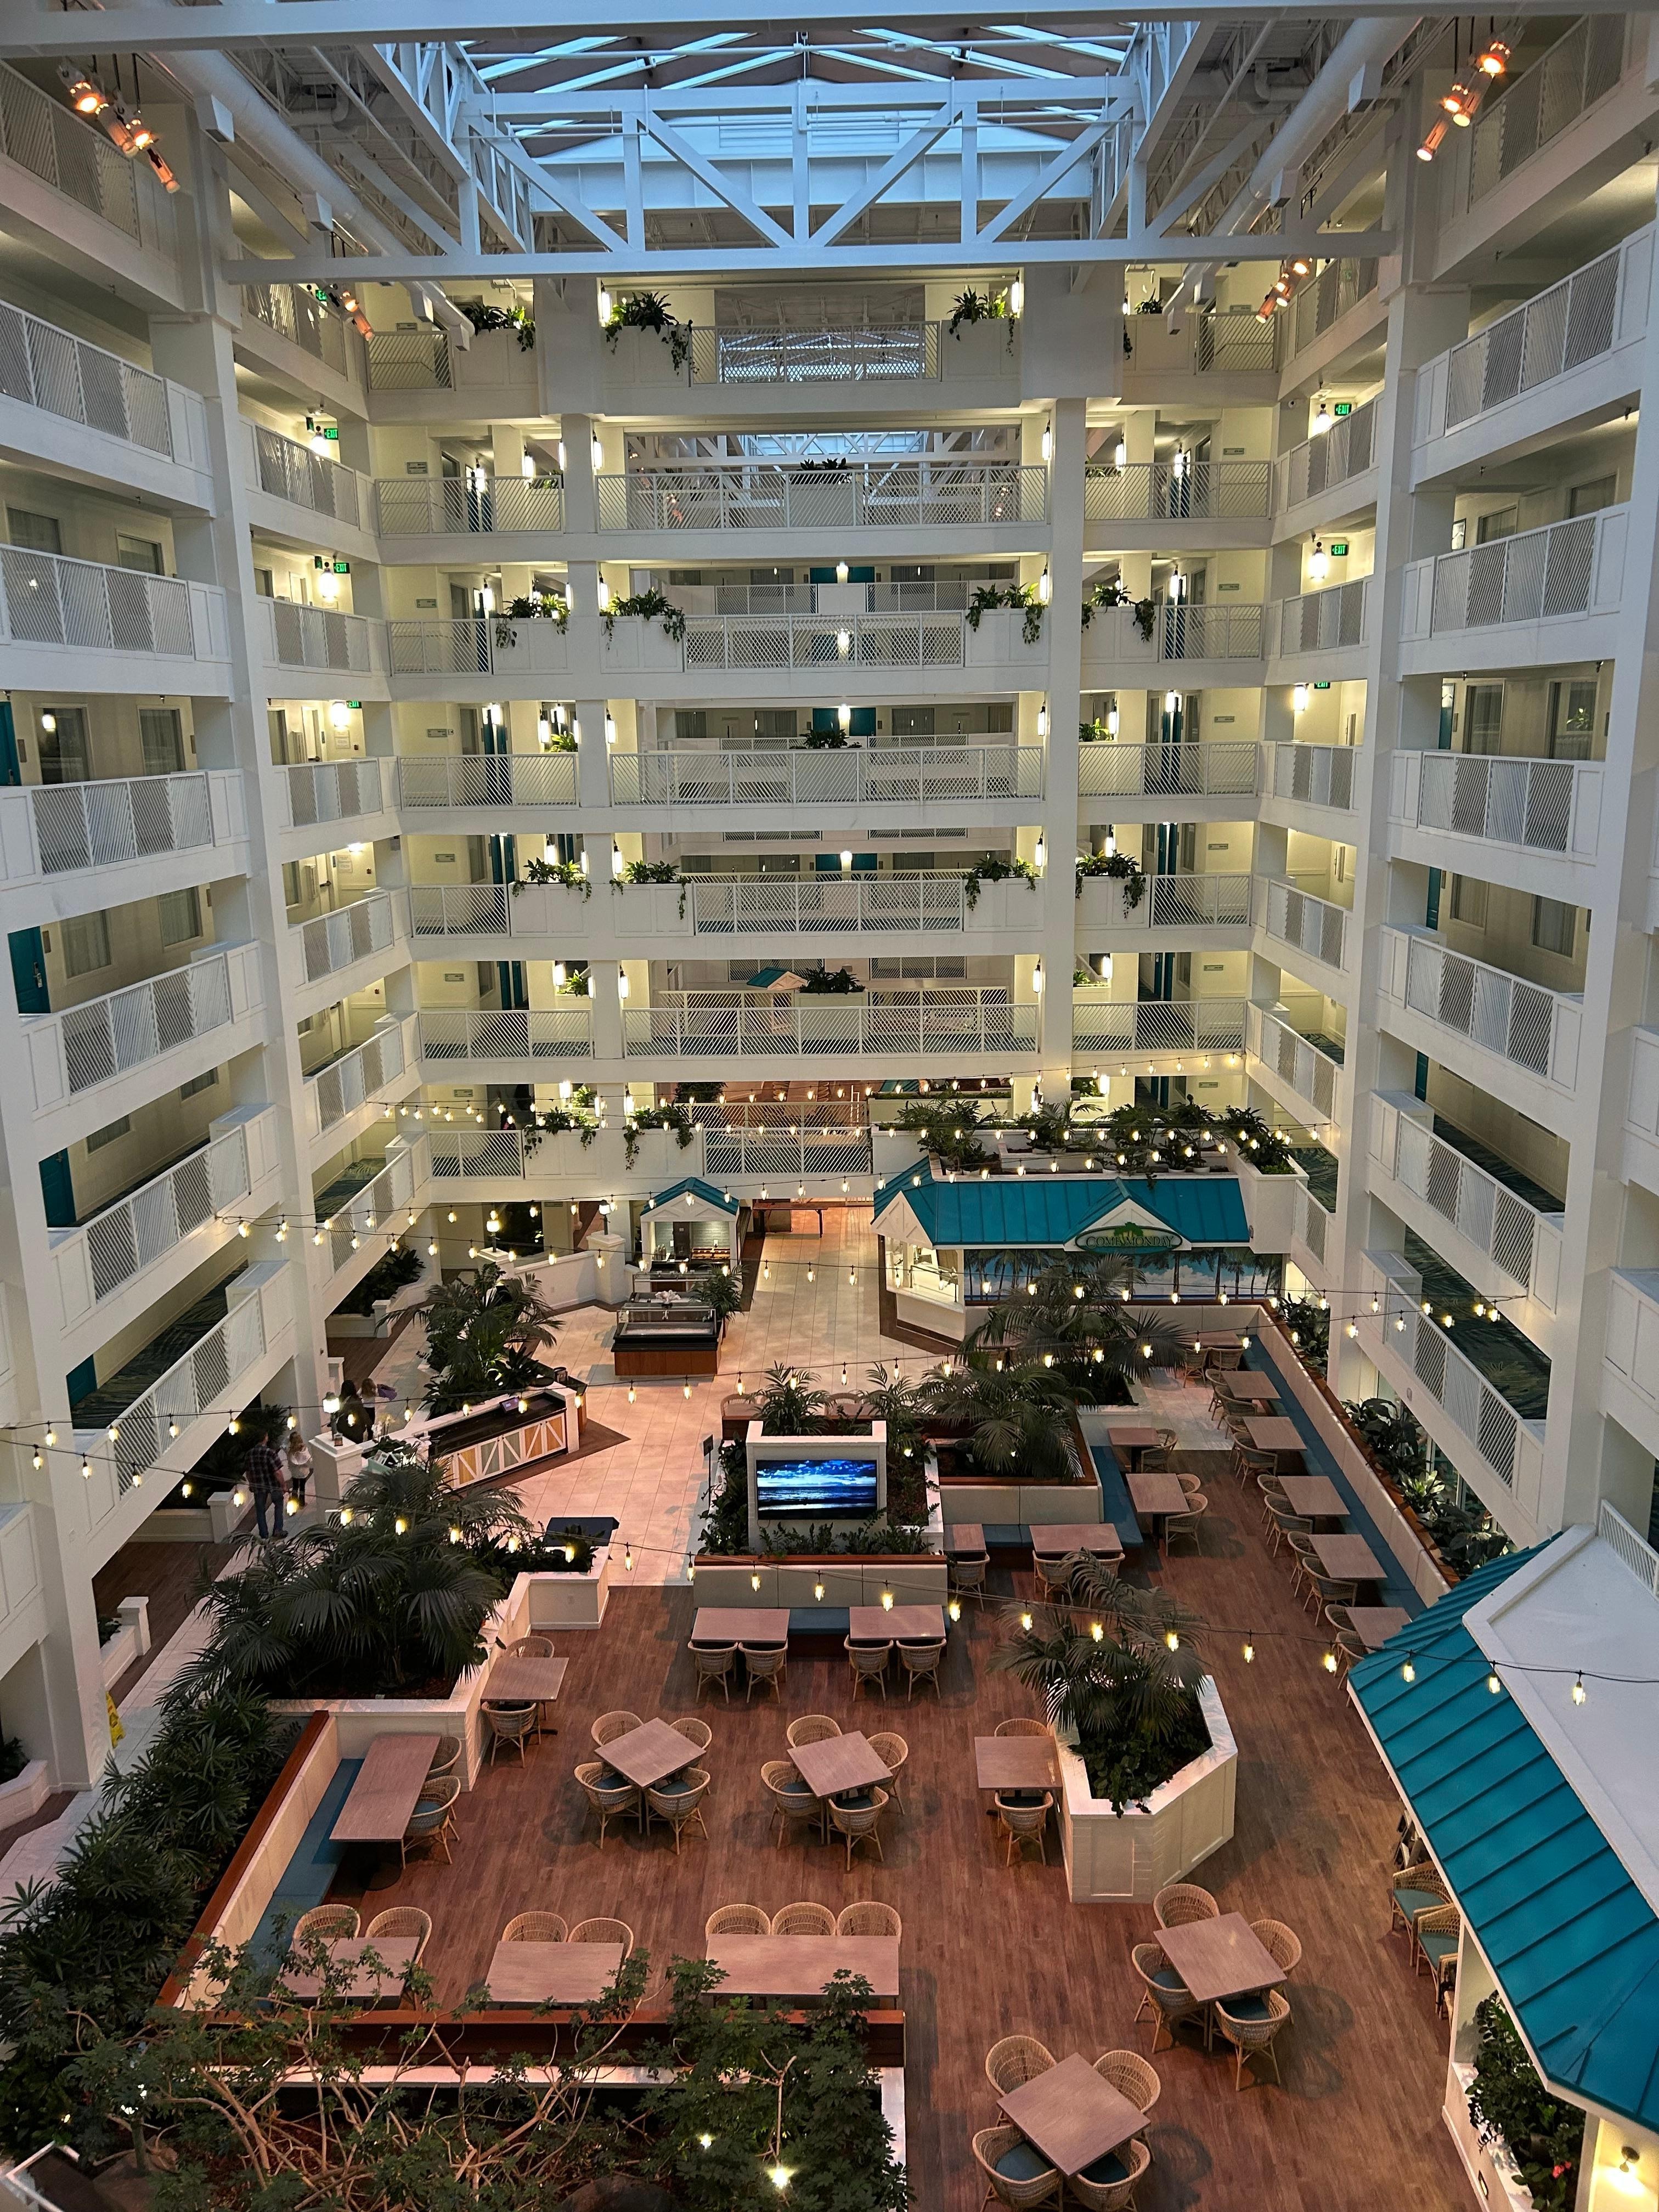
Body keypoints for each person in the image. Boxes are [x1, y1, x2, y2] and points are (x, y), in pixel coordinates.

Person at [246, 1431, 284, 1539]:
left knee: (260, 1510)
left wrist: (251, 1484)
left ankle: (264, 1534)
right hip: (273, 1485)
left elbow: (248, 1472)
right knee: (279, 1505)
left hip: (258, 1486)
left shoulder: (249, 1454)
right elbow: (277, 1472)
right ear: (265, 1438)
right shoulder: (270, 1453)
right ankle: (278, 1530)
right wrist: (284, 1485)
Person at [284, 1426, 312, 1511]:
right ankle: (302, 1503)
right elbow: (310, 1460)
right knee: (302, 1487)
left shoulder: (289, 1450)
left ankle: (294, 1502)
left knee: (295, 1487)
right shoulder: (304, 1450)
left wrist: (289, 1438)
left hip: (294, 1472)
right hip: (303, 1472)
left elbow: (283, 1444)